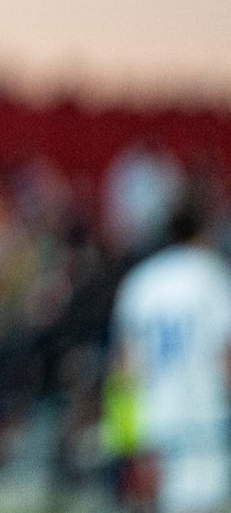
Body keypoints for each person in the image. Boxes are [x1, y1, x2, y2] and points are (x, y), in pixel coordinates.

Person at [112, 193, 231, 513]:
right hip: (204, 427)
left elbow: (124, 370)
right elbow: (226, 358)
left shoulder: (141, 281)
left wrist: (126, 440)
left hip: (155, 430)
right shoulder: (212, 276)